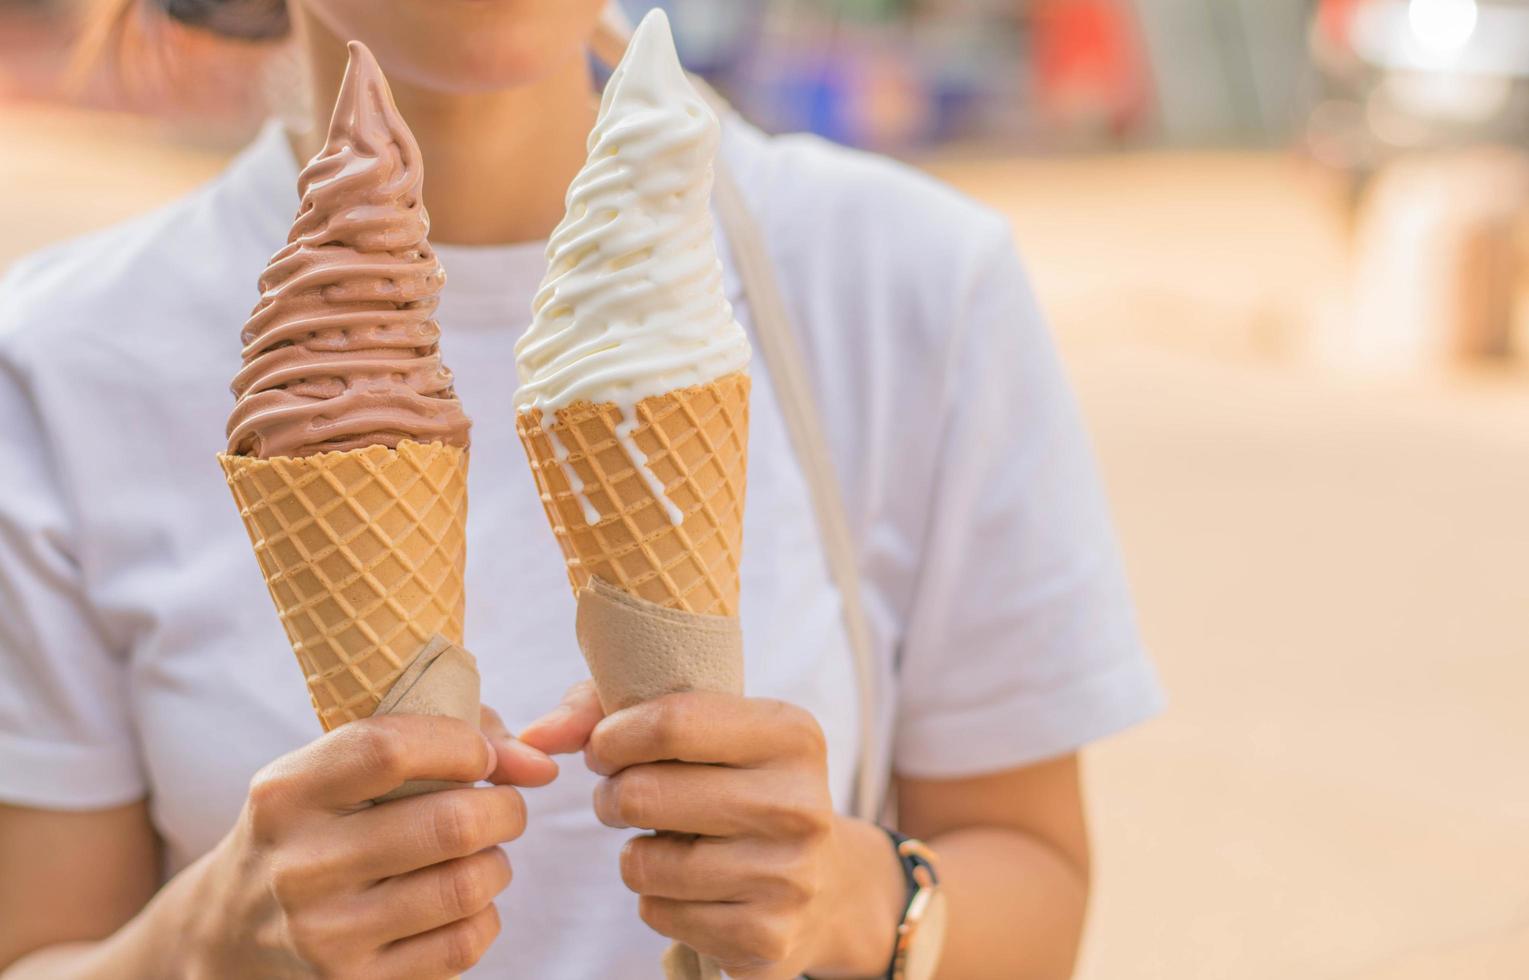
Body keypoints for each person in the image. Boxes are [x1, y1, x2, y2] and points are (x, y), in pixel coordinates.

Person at [0, 1, 1162, 977]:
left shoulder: (910, 281)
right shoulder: (58, 359)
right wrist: (206, 944)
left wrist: (853, 892)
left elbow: (1033, 877)